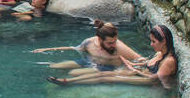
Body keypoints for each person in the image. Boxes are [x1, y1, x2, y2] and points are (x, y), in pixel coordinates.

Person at [48, 24, 178, 86]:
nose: (151, 44)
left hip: (146, 79)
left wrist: (134, 70)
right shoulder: (159, 54)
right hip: (140, 72)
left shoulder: (168, 61)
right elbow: (143, 63)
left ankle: (69, 82)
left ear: (164, 41)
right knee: (101, 74)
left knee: (105, 77)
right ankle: (67, 81)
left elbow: (155, 79)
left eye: (153, 41)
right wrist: (131, 64)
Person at [33, 18, 144, 73]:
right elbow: (74, 48)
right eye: (110, 43)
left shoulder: (120, 48)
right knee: (54, 66)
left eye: (115, 41)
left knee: (73, 73)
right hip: (86, 62)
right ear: (100, 39)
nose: (113, 45)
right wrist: (47, 49)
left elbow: (140, 59)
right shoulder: (89, 43)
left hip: (105, 68)